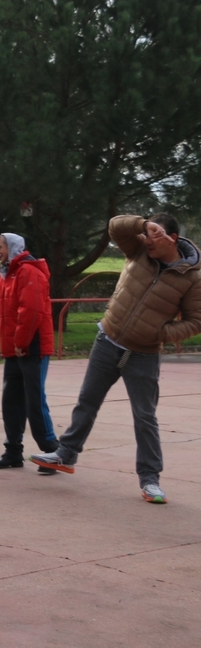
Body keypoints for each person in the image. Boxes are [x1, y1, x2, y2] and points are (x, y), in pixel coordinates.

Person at [33, 213, 201, 503]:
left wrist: (159, 332)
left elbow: (195, 321)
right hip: (107, 340)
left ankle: (150, 481)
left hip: (144, 353)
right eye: (147, 234)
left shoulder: (192, 277)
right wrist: (143, 224)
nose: (148, 241)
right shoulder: (138, 248)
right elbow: (114, 227)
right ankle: (66, 454)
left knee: (144, 417)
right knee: (87, 402)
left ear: (172, 239)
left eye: (155, 235)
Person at [0, 233, 59, 471]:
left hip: (31, 347)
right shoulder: (10, 273)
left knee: (34, 401)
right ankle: (13, 451)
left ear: (14, 248)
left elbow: (32, 311)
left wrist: (21, 342)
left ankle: (51, 452)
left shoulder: (28, 272)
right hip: (15, 349)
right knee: (12, 401)